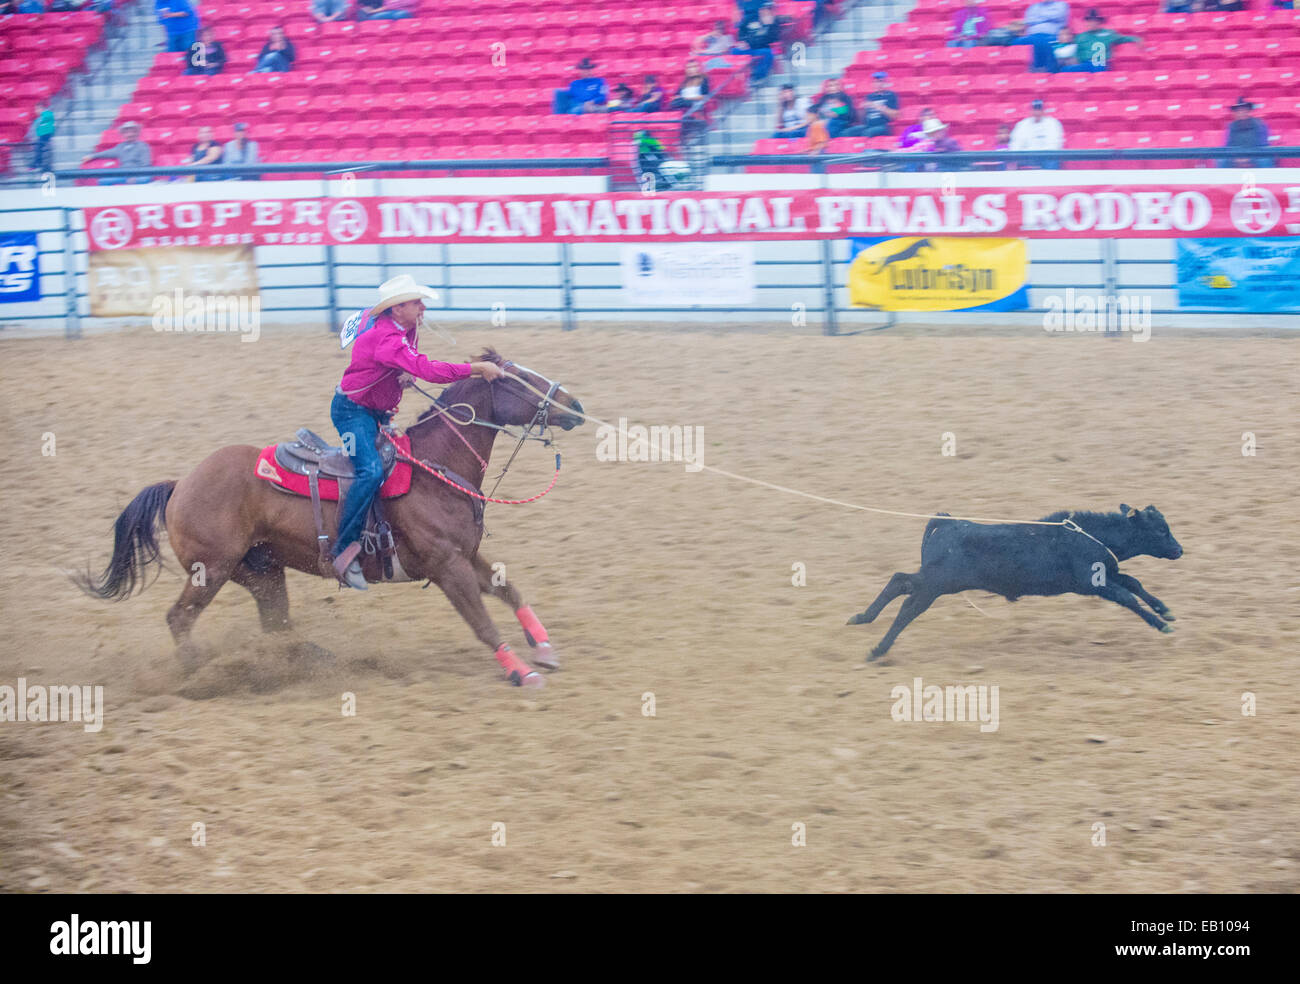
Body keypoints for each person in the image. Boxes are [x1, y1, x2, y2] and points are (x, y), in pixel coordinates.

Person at [329, 275, 506, 590]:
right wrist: (476, 369)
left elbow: (406, 364)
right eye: (416, 302)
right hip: (352, 414)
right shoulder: (386, 338)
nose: (423, 307)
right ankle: (344, 550)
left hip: (377, 413)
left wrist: (401, 371)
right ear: (397, 309)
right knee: (369, 471)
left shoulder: (406, 329)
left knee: (399, 464)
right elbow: (427, 369)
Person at [1065, 9, 1140, 72]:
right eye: (1088, 21)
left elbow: (1123, 38)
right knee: (1065, 70)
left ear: (1099, 22)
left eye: (1093, 20)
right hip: (1085, 64)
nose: (1091, 23)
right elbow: (1076, 54)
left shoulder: (1109, 33)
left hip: (1100, 64)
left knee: (1098, 67)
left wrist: (1136, 39)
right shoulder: (1080, 37)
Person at [82, 120, 152, 184]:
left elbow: (145, 165)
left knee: (144, 180)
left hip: (140, 175)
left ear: (137, 133)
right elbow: (107, 153)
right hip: (123, 175)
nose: (130, 134)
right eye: (126, 132)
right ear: (123, 134)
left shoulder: (143, 146)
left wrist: (134, 176)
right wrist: (92, 156)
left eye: (132, 132)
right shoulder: (120, 146)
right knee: (103, 181)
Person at [1014, 1, 1070, 72]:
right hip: (1032, 36)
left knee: (1041, 41)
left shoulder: (1061, 5)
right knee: (1017, 42)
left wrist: (1038, 16)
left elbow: (1058, 16)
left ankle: (1047, 71)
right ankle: (1019, 74)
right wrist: (1048, 17)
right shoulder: (1033, 7)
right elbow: (1029, 20)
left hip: (1053, 36)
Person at [1009, 98, 1064, 168]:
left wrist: (1041, 154)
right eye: (1035, 109)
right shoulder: (1022, 125)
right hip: (1027, 157)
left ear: (1044, 111)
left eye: (1039, 109)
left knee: (1052, 160)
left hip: (1046, 157)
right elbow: (1015, 145)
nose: (1037, 112)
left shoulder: (1053, 123)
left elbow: (1055, 145)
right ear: (1031, 111)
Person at [733, 2, 781, 81]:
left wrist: (768, 25)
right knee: (734, 51)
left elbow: (774, 38)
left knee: (768, 53)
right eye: (763, 9)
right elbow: (741, 31)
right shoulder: (750, 19)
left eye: (768, 9)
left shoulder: (774, 22)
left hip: (762, 48)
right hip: (748, 48)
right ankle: (738, 77)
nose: (765, 11)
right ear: (759, 10)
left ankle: (758, 77)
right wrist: (742, 41)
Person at [843, 70, 898, 137]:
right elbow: (862, 119)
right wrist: (861, 109)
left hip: (883, 126)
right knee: (846, 133)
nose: (878, 84)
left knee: (867, 133)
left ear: (886, 83)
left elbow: (895, 115)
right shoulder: (869, 96)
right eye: (875, 82)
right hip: (868, 125)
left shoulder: (890, 95)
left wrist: (879, 107)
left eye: (880, 81)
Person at [1222, 97, 1272, 167]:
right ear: (1234, 113)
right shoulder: (1230, 126)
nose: (1241, 113)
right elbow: (1227, 146)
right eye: (1238, 111)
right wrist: (1236, 158)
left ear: (1249, 111)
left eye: (1244, 110)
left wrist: (1249, 158)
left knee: (1265, 160)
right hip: (1236, 157)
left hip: (1256, 155)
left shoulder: (1260, 124)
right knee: (1222, 160)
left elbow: (1263, 145)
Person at [32, 99, 54, 173]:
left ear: (41, 108)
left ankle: (36, 164)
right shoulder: (41, 117)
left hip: (46, 137)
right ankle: (37, 164)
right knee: (38, 148)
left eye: (36, 109)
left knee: (40, 148)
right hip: (43, 137)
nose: (35, 111)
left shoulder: (47, 115)